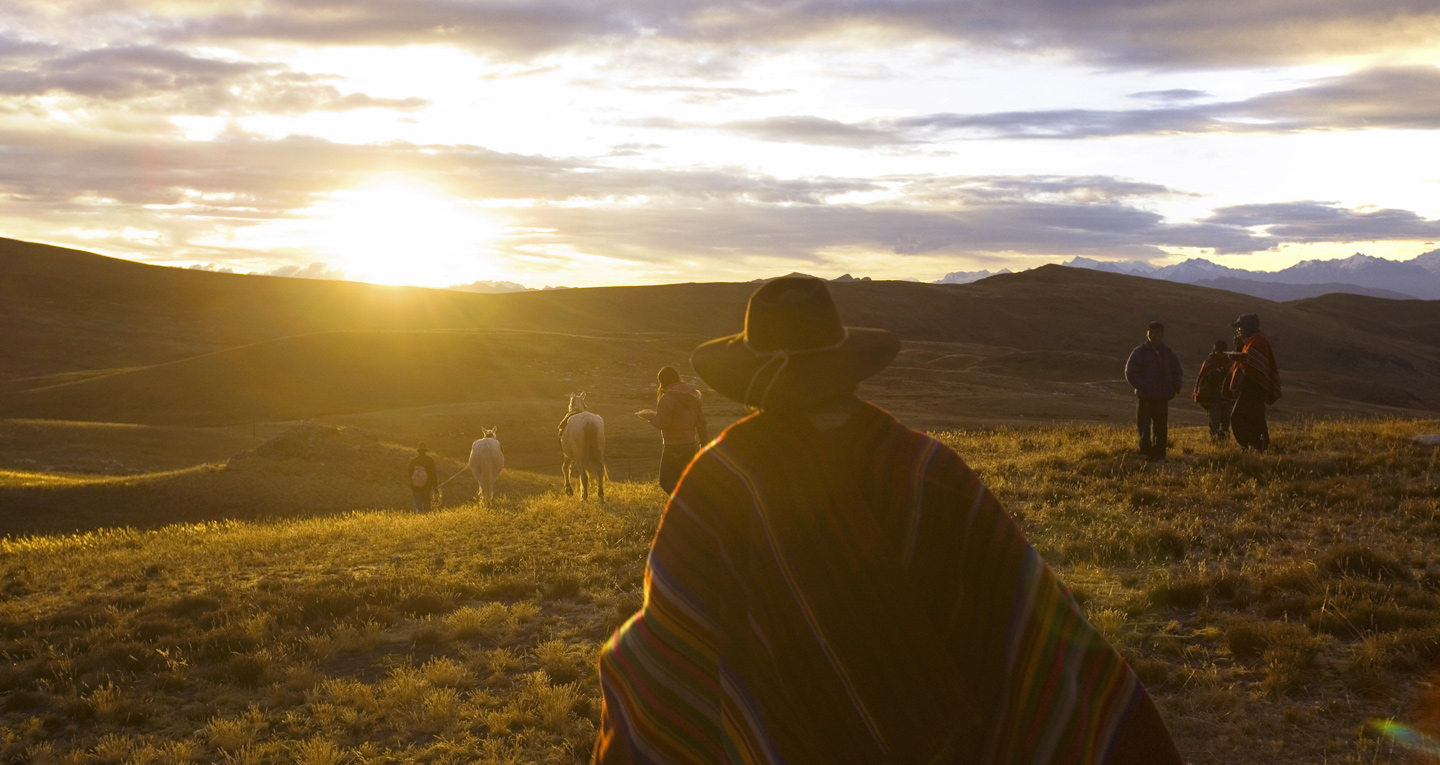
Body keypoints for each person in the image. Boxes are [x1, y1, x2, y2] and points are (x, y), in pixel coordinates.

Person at [594, 275, 1183, 764]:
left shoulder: (718, 479)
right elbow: (1029, 627)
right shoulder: (929, 469)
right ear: (848, 367)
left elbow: (665, 650)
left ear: (750, 377)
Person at [635, 366, 708, 494]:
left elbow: (663, 424)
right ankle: (688, 504)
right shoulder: (693, 396)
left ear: (663, 381)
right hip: (691, 445)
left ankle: (682, 503)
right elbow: (701, 423)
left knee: (666, 481)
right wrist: (704, 444)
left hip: (673, 447)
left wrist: (649, 416)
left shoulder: (667, 398)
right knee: (686, 479)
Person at [1124, 320, 1183, 462]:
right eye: (1151, 332)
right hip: (1145, 396)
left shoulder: (1168, 353)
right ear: (1147, 334)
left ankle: (1159, 454)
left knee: (1161, 427)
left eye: (1156, 332)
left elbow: (1177, 371)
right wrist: (1143, 386)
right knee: (1144, 427)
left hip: (1162, 396)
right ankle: (1145, 453)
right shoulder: (1139, 352)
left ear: (1162, 334)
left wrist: (1174, 387)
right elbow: (1130, 372)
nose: (1153, 335)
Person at [1227, 313, 1281, 452]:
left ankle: (1249, 446)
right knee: (1254, 417)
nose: (1238, 331)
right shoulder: (1254, 339)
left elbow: (1252, 363)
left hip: (1254, 386)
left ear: (1247, 327)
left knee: (1238, 416)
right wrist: (1240, 347)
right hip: (1253, 385)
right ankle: (1259, 446)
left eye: (1240, 328)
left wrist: (1239, 356)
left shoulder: (1258, 340)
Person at [1193, 339, 1235, 441]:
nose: (1219, 354)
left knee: (1226, 421)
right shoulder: (1208, 363)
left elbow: (1235, 379)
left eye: (1222, 352)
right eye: (1217, 351)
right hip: (1213, 397)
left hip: (1227, 398)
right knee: (1214, 421)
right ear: (1214, 351)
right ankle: (1215, 442)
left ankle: (1225, 442)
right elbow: (1201, 379)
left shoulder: (1231, 363)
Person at [407, 443, 438, 512]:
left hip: (415, 486)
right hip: (427, 486)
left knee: (418, 505)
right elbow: (433, 475)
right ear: (425, 451)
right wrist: (435, 487)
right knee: (427, 505)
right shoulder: (430, 461)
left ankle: (419, 518)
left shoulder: (413, 461)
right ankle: (427, 519)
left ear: (418, 451)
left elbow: (410, 473)